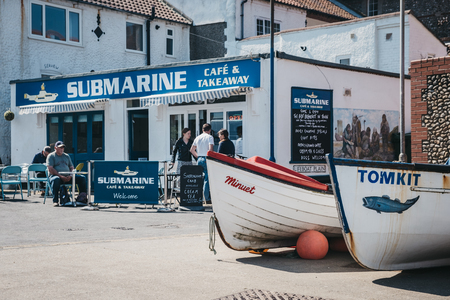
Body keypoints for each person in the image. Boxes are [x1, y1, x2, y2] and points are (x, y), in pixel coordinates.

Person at [47, 141, 87, 206]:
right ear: (55, 148)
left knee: (82, 178)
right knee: (55, 179)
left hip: (67, 177)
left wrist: (71, 175)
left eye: (63, 147)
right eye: (60, 147)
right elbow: (50, 169)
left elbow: (71, 167)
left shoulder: (66, 156)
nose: (62, 149)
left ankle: (82, 199)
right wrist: (60, 176)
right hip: (56, 176)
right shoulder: (51, 156)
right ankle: (55, 201)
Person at [190, 123, 214, 204]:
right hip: (206, 158)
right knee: (207, 179)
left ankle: (198, 198)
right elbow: (210, 151)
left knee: (199, 179)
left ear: (202, 130)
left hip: (199, 158)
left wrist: (198, 157)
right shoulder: (210, 137)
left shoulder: (198, 137)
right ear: (209, 130)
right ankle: (206, 198)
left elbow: (192, 150)